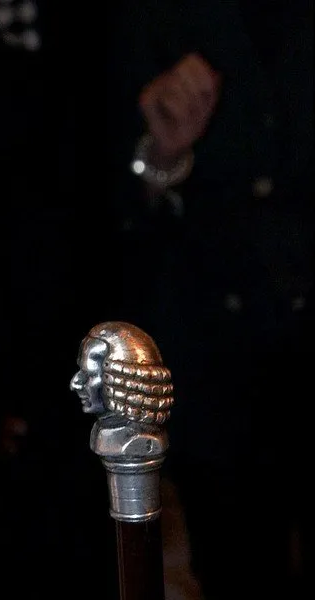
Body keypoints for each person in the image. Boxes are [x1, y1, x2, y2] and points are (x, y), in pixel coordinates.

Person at [106, 0, 313, 598]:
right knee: (238, 562)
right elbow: (108, 206)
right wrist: (161, 153)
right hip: (215, 354)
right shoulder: (146, 16)